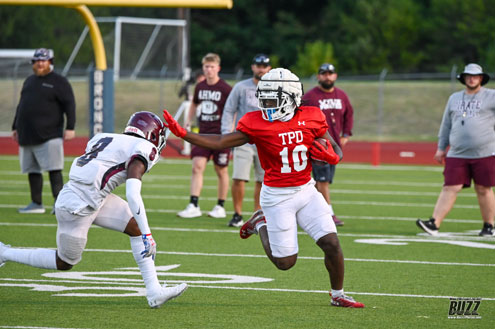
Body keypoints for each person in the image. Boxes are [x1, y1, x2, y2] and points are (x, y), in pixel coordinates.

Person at [163, 68, 365, 308]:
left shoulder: (313, 116)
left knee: (331, 243)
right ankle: (260, 222)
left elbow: (335, 148)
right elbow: (220, 141)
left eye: (272, 99)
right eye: (264, 98)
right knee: (285, 263)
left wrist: (333, 157)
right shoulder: (256, 123)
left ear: (291, 98)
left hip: (307, 190)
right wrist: (185, 134)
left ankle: (338, 294)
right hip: (277, 197)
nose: (265, 104)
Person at [0, 111, 188, 308]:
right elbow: (133, 194)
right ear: (152, 134)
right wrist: (149, 235)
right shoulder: (144, 147)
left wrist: (144, 232)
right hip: (78, 206)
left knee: (135, 227)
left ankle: (154, 291)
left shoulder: (104, 137)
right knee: (64, 262)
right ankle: (4, 253)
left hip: (90, 196)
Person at [416, 63, 495, 237]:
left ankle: (489, 225)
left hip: (485, 152)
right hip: (457, 152)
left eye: (475, 76)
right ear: (464, 78)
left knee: (483, 189)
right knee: (450, 187)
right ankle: (434, 223)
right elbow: (446, 125)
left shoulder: (491, 96)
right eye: (468, 76)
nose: (472, 78)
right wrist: (441, 147)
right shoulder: (454, 98)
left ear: (481, 78)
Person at [12, 48, 76, 214]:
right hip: (27, 135)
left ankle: (59, 204)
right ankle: (36, 203)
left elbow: (70, 104)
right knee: (32, 170)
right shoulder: (29, 81)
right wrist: (15, 126)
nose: (40, 63)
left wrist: (70, 127)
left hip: (49, 135)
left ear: (50, 62)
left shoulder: (59, 81)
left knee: (54, 169)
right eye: (37, 61)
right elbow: (22, 105)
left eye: (43, 60)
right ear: (33, 63)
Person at [177, 53, 232, 219]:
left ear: (218, 68)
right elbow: (194, 103)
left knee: (221, 169)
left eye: (212, 67)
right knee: (197, 166)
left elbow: (233, 108)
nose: (209, 70)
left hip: (221, 135)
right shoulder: (200, 87)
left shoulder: (225, 88)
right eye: (206, 67)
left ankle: (220, 206)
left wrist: (231, 128)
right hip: (203, 134)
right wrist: (188, 120)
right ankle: (193, 204)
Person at [221, 54, 271, 227]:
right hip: (244, 139)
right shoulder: (241, 87)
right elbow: (229, 109)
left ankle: (258, 213)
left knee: (263, 180)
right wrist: (226, 133)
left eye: (264, 66)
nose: (261, 69)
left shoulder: (273, 88)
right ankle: (237, 214)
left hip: (265, 141)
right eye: (258, 66)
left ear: (269, 69)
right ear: (253, 67)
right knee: (239, 177)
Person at [301, 63, 354, 227]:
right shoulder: (310, 97)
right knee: (322, 181)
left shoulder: (341, 95)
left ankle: (311, 213)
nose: (327, 76)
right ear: (318, 76)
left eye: (330, 73)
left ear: (335, 76)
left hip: (334, 145)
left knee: (322, 182)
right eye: (324, 73)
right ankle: (328, 214)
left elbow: (349, 114)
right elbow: (300, 116)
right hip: (318, 145)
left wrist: (346, 133)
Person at [178, 69, 206, 156]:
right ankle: (187, 148)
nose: (200, 79)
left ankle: (204, 146)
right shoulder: (192, 85)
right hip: (191, 105)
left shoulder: (206, 86)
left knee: (203, 127)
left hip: (201, 107)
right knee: (187, 127)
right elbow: (181, 95)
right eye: (199, 77)